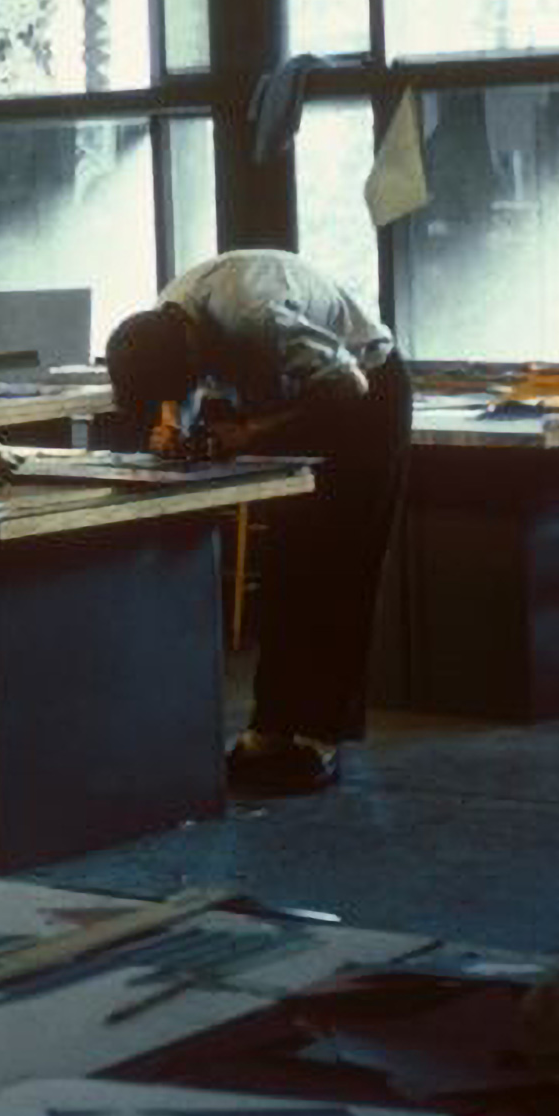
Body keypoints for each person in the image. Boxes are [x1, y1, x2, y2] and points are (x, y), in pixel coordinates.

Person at [104, 247, 410, 795]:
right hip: (287, 397)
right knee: (288, 565)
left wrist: (251, 433)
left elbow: (349, 389)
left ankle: (319, 737)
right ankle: (270, 729)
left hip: (365, 393)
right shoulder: (165, 319)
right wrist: (171, 423)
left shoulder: (259, 316)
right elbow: (179, 388)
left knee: (340, 567)